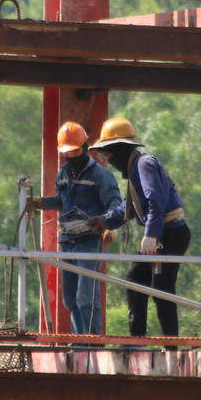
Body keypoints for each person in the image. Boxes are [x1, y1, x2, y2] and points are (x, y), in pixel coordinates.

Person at [91, 116, 191, 338]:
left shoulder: (143, 164)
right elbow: (130, 208)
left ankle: (170, 345)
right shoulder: (135, 169)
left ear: (117, 149)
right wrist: (103, 221)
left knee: (162, 287)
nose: (106, 158)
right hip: (162, 233)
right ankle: (136, 341)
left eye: (107, 152)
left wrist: (151, 235)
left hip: (170, 233)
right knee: (136, 280)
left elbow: (155, 201)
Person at [27, 121, 122, 336]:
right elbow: (63, 201)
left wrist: (110, 225)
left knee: (85, 297)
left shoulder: (100, 175)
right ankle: (79, 343)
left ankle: (91, 344)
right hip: (67, 242)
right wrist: (40, 203)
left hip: (89, 241)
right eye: (66, 152)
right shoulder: (63, 175)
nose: (70, 156)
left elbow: (115, 203)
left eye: (75, 151)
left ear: (85, 148)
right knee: (70, 299)